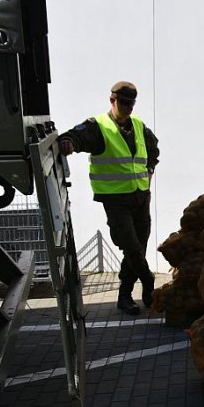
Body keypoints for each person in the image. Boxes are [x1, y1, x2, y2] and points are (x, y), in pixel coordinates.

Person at [59, 81, 159, 316]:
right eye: (124, 103)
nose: (128, 108)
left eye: (132, 103)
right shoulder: (99, 126)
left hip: (141, 197)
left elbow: (153, 151)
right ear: (112, 100)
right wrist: (69, 143)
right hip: (116, 200)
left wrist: (150, 170)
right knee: (131, 246)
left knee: (139, 247)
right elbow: (75, 136)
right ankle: (148, 281)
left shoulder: (139, 126)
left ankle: (125, 296)